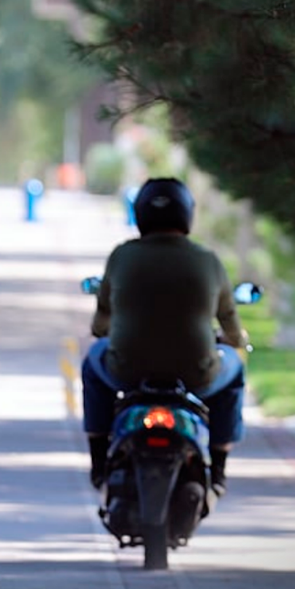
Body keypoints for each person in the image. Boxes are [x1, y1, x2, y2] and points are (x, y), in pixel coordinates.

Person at [83, 177, 248, 496]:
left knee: (92, 362)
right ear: (187, 213)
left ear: (141, 212)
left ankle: (98, 459)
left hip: (127, 372)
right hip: (196, 375)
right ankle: (220, 466)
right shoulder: (208, 260)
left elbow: (100, 322)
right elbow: (230, 324)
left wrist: (106, 330)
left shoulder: (122, 256)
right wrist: (236, 339)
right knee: (235, 368)